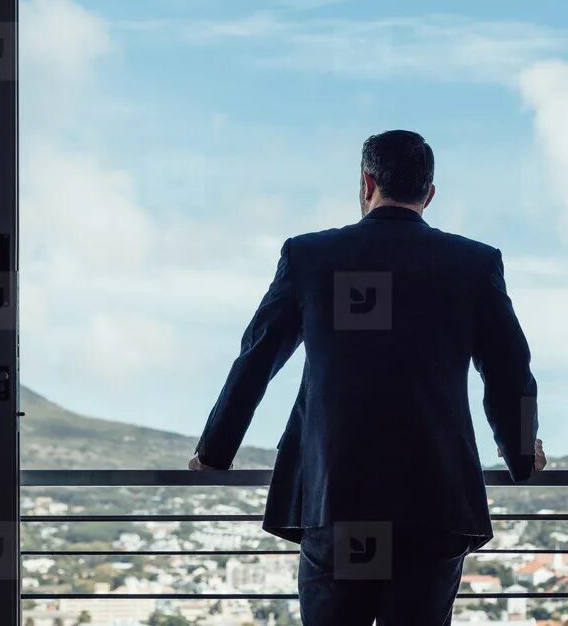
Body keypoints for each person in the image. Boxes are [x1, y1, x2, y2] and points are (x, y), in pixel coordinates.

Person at [190, 129, 544, 624]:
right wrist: (522, 453)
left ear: (366, 182)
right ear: (430, 193)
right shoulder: (474, 264)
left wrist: (215, 453)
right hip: (435, 506)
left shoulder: (309, 257)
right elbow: (511, 370)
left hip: (337, 501)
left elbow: (256, 358)